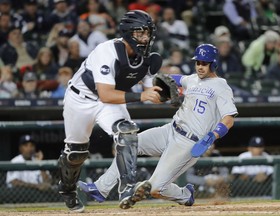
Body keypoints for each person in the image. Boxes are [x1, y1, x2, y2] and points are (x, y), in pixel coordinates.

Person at [78, 44, 238, 208]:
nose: (200, 66)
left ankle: (185, 195)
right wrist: (145, 77)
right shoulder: (191, 79)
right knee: (128, 144)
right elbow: (168, 79)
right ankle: (100, 188)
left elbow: (229, 118)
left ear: (213, 64)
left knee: (155, 189)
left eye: (204, 63)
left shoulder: (221, 86)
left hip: (188, 143)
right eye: (198, 62)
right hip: (170, 130)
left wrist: (213, 135)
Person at [57, 10, 163, 213]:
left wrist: (164, 94)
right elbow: (106, 93)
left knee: (127, 132)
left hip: (110, 102)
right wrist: (141, 96)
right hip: (81, 99)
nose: (145, 38)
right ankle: (68, 190)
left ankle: (128, 188)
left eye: (147, 33)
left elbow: (150, 91)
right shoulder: (107, 50)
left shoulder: (147, 58)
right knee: (75, 155)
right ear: (127, 33)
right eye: (139, 33)